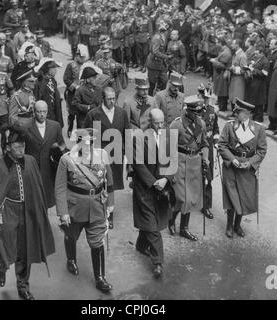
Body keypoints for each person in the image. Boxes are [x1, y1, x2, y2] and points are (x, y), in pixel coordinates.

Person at [0, 129, 55, 300]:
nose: (22, 148)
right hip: (8, 212)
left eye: (23, 145)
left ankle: (23, 285)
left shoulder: (30, 161)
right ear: (8, 147)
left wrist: (38, 210)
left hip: (27, 211)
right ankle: (1, 267)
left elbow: (37, 187)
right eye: (17, 146)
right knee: (5, 245)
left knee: (25, 249)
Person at [55, 128, 114, 293]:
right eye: (84, 143)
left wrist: (111, 203)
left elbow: (109, 181)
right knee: (71, 234)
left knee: (97, 241)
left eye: (91, 143)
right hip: (75, 207)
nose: (88, 147)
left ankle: (100, 278)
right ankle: (71, 259)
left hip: (97, 205)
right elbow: (60, 188)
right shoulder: (66, 160)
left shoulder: (102, 155)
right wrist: (63, 212)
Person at [132, 108, 174, 278]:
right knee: (152, 224)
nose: (160, 126)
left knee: (153, 220)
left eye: (162, 122)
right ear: (149, 121)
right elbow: (138, 164)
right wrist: (153, 182)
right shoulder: (138, 138)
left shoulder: (167, 136)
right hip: (145, 188)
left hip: (161, 187)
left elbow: (173, 160)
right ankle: (158, 262)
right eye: (156, 123)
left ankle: (141, 245)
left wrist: (166, 179)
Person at [218, 98, 267, 238]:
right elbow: (222, 145)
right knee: (231, 196)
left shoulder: (258, 128)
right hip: (231, 165)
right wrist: (232, 159)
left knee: (242, 197)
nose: (236, 114)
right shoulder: (229, 126)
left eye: (238, 112)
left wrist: (251, 163)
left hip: (247, 167)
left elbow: (262, 151)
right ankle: (229, 226)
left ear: (246, 113)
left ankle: (237, 225)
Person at [84, 86, 130, 228]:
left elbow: (127, 135)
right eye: (109, 99)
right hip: (98, 155)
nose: (112, 101)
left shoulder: (121, 113)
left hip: (116, 155)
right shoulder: (93, 114)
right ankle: (98, 213)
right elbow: (85, 136)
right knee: (98, 184)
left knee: (111, 185)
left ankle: (110, 216)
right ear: (102, 99)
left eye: (113, 99)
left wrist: (129, 158)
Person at [168, 96, 209, 241]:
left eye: (199, 113)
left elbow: (204, 143)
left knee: (190, 199)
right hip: (179, 162)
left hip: (195, 163)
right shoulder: (177, 125)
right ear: (188, 111)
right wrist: (170, 170)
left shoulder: (201, 124)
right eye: (196, 113)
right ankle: (171, 220)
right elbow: (169, 148)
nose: (198, 115)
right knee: (181, 198)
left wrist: (205, 158)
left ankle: (184, 228)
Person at [23, 100, 66, 208]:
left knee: (47, 200)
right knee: (35, 201)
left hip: (49, 169)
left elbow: (62, 146)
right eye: (39, 112)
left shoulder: (55, 126)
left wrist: (58, 150)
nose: (42, 114)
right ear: (34, 112)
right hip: (33, 169)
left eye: (44, 112)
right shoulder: (26, 126)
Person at [198, 84, 220, 219]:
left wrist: (216, 141)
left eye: (208, 97)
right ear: (198, 95)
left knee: (208, 177)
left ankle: (206, 206)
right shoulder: (192, 109)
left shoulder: (213, 111)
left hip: (209, 149)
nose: (205, 100)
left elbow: (216, 128)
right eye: (203, 96)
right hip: (195, 148)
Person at [63, 45, 88, 138]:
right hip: (72, 94)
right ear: (77, 56)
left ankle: (79, 131)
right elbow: (66, 79)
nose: (82, 59)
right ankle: (70, 129)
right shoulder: (71, 65)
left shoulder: (85, 66)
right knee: (71, 113)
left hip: (82, 93)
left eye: (83, 57)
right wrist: (75, 87)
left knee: (80, 113)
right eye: (81, 57)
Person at [34, 57, 64, 127]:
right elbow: (37, 99)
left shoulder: (52, 80)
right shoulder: (40, 82)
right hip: (46, 113)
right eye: (53, 68)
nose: (55, 70)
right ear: (48, 70)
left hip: (55, 111)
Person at [146, 20, 172, 96]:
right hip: (153, 64)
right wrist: (166, 57)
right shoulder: (157, 38)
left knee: (164, 81)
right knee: (152, 84)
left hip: (161, 64)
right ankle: (150, 99)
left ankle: (160, 96)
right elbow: (155, 52)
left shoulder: (163, 37)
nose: (168, 32)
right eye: (168, 30)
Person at [244, 44, 270, 122]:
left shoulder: (265, 61)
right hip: (253, 84)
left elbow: (264, 74)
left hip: (260, 85)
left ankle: (259, 118)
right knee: (254, 101)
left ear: (262, 53)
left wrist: (253, 70)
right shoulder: (257, 59)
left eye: (257, 53)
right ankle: (255, 116)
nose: (255, 55)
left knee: (259, 102)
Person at [210, 36, 232, 112]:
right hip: (220, 75)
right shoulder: (225, 50)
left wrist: (214, 62)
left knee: (222, 92)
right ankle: (221, 106)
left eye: (217, 42)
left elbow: (222, 65)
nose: (216, 44)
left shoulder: (226, 52)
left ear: (220, 43)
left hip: (222, 75)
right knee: (221, 92)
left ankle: (222, 107)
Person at [229, 38, 248, 109]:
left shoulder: (242, 55)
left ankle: (237, 114)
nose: (231, 45)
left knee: (238, 96)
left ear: (237, 45)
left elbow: (244, 69)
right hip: (234, 78)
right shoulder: (236, 54)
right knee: (233, 96)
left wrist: (234, 68)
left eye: (233, 44)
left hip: (239, 79)